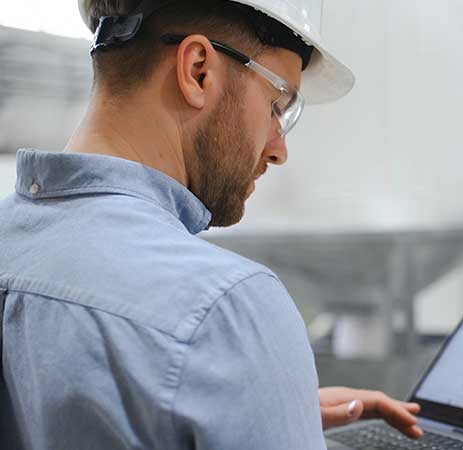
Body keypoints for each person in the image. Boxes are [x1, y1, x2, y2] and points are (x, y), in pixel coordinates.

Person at [0, 0, 423, 448]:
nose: (279, 149)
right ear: (198, 70)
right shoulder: (226, 308)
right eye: (277, 106)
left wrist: (250, 408)